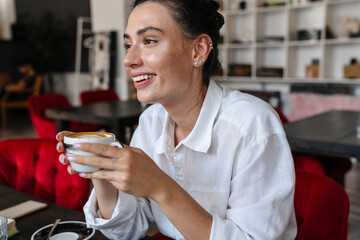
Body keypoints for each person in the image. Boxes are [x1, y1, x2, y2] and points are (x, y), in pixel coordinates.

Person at [56, 0, 297, 239]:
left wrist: (161, 187)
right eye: (129, 44)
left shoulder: (252, 125)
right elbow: (128, 230)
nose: (128, 59)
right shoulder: (151, 123)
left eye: (149, 41)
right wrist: (101, 171)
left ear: (199, 50)